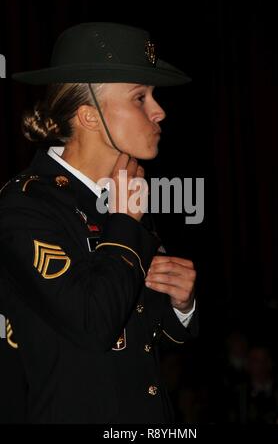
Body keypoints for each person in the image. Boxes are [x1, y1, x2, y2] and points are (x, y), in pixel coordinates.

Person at [0, 22, 198, 424]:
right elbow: (93, 326)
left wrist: (182, 305)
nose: (159, 111)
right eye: (140, 97)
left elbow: (145, 334)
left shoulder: (122, 196)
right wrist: (124, 222)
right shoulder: (24, 206)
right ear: (89, 117)